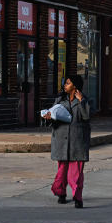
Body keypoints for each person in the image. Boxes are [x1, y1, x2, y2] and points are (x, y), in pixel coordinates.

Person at [43, 75, 91, 208]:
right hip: (61, 140)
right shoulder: (60, 100)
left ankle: (78, 198)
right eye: (65, 83)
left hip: (78, 141)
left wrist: (81, 101)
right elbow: (53, 116)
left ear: (75, 86)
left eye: (68, 83)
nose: (65, 85)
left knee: (76, 174)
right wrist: (48, 118)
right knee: (62, 172)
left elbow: (87, 117)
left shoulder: (86, 100)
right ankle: (61, 194)